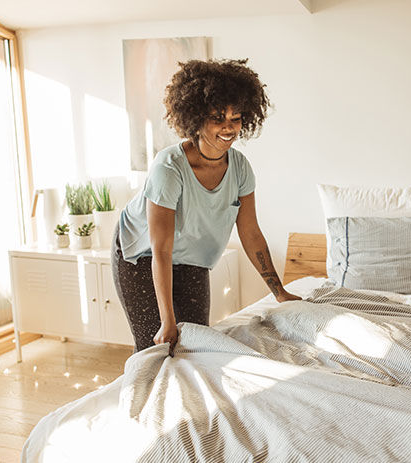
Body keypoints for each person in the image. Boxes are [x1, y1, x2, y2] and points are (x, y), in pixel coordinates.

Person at [111, 58, 300, 354]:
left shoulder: (240, 169)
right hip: (142, 256)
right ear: (196, 118)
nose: (229, 127)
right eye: (217, 118)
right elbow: (160, 249)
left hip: (192, 258)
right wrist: (167, 320)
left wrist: (279, 293)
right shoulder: (169, 169)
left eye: (236, 118)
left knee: (196, 347)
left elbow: (250, 233)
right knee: (158, 348)